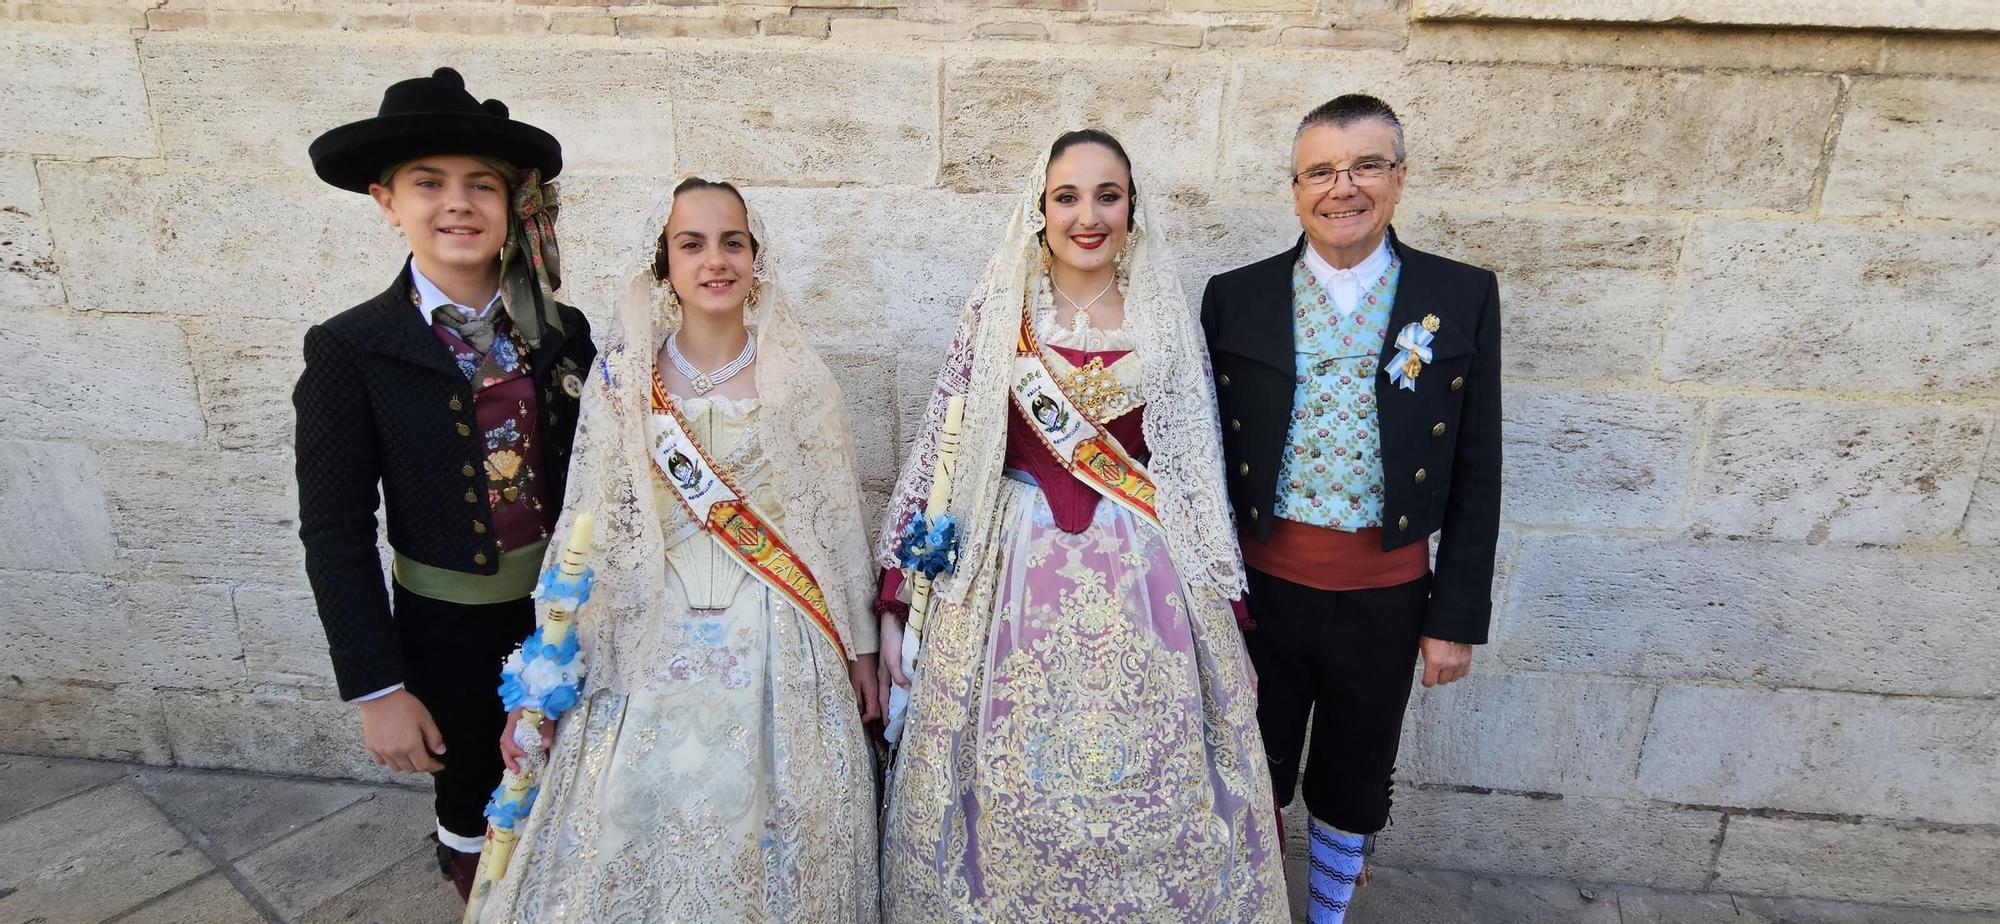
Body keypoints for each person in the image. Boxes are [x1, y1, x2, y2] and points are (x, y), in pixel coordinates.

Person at [877, 130, 1287, 922]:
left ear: (1134, 208)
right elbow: (945, 452)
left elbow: (1197, 473)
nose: (1088, 215)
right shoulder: (1000, 315)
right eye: (1068, 196)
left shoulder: (1165, 318)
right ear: (1040, 209)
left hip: (1148, 580)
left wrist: (1230, 619)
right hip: (1008, 575)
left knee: (1151, 782)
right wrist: (901, 595)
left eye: (1108, 195)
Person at [475, 178, 882, 922]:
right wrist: (547, 666)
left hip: (777, 624)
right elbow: (584, 525)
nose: (715, 260)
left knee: (775, 818)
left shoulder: (803, 382)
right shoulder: (622, 383)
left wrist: (860, 649)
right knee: (628, 802)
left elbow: (835, 521)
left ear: (757, 258)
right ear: (664, 264)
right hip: (649, 623)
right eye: (691, 244)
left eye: (733, 242)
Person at [1200, 94, 1503, 924]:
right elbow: (1201, 460)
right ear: (1295, 190)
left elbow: (1479, 467)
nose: (1345, 187)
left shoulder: (1461, 293)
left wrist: (1455, 618)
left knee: (1355, 770)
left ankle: (1326, 916)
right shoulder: (1235, 296)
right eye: (1322, 171)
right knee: (1246, 761)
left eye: (1367, 164)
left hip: (1387, 593)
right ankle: (1247, 907)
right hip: (1258, 591)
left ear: (1399, 178)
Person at [295, 66, 595, 901]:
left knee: (578, 788)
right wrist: (378, 688)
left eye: (481, 185)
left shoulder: (563, 334)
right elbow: (335, 528)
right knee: (478, 801)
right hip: (447, 632)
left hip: (572, 613)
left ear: (512, 205)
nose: (457, 203)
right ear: (386, 201)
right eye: (429, 183)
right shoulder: (350, 349)